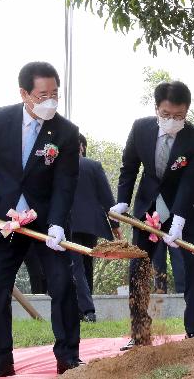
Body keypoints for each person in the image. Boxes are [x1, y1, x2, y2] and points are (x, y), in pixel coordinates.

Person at [0, 62, 81, 378]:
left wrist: (57, 222)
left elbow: (65, 183)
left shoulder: (66, 132)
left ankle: (68, 357)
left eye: (55, 94)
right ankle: (0, 360)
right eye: (43, 94)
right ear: (24, 94)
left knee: (62, 283)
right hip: (3, 219)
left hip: (45, 223)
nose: (50, 101)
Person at [111, 81, 194, 350]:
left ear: (187, 112)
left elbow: (190, 181)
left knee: (192, 270)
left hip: (187, 210)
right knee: (139, 269)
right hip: (148, 208)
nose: (172, 121)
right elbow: (129, 166)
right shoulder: (140, 128)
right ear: (156, 108)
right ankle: (140, 334)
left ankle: (193, 333)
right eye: (166, 115)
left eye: (179, 116)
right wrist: (122, 201)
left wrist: (178, 219)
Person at [70, 134, 122, 322]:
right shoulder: (93, 166)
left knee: (76, 266)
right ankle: (85, 309)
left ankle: (86, 310)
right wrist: (115, 225)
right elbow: (107, 198)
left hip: (69, 223)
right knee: (85, 265)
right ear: (82, 147)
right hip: (92, 224)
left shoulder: (58, 167)